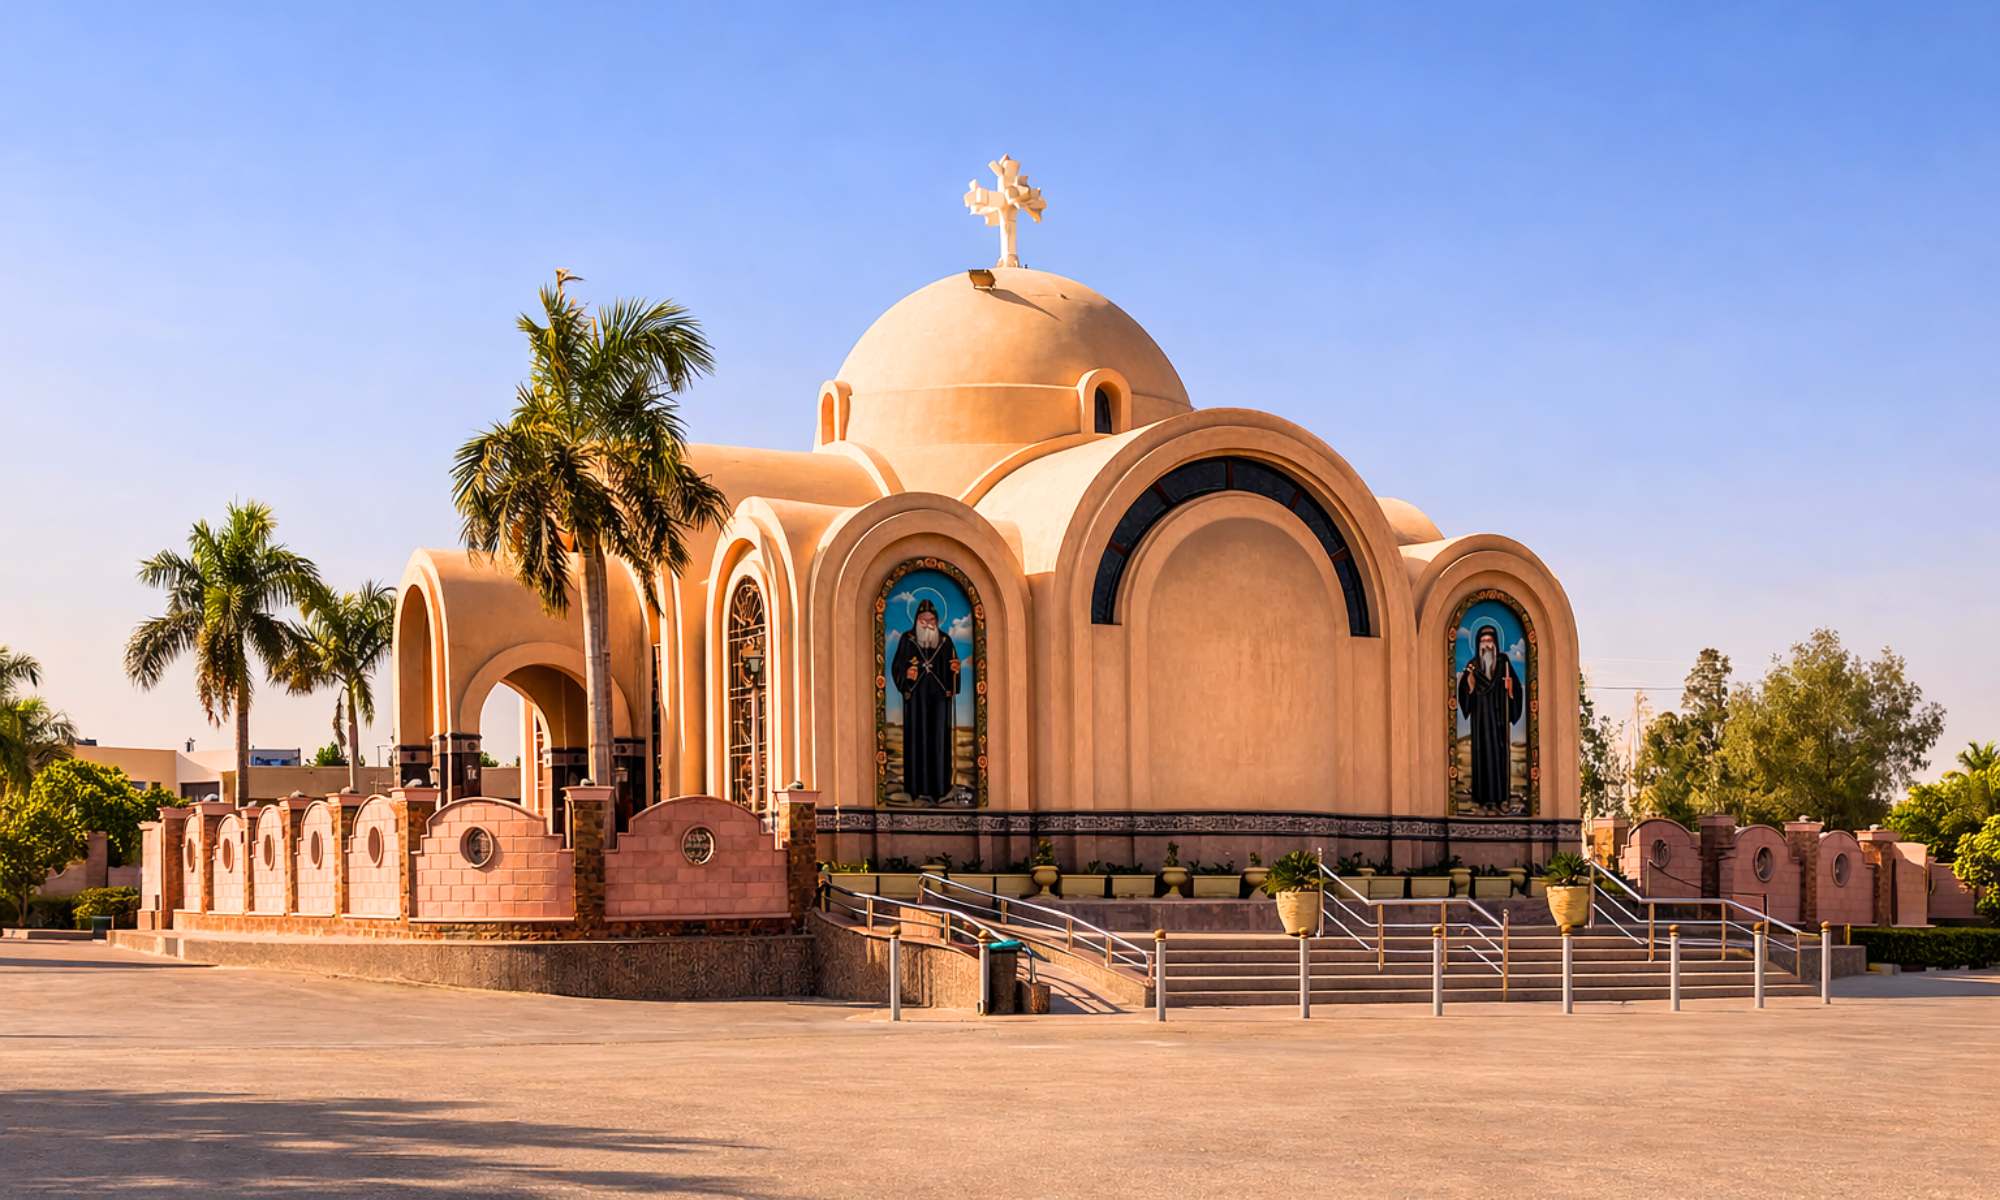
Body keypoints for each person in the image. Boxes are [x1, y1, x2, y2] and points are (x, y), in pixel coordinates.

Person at [891, 599, 961, 802]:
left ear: (937, 621)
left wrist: (955, 672)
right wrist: (906, 676)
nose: (928, 624)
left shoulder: (946, 641)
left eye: (932, 620)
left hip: (939, 702)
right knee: (917, 741)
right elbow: (897, 667)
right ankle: (915, 787)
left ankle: (939, 788)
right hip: (916, 702)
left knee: (938, 743)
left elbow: (953, 672)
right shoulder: (907, 639)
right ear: (917, 620)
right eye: (924, 620)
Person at [1457, 624, 1524, 811]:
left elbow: (1516, 692)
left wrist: (1511, 690)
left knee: (1500, 760)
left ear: (1495, 643)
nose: (1486, 645)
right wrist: (1469, 686)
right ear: (1478, 643)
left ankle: (1501, 799)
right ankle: (1483, 800)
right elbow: (1464, 693)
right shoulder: (1473, 666)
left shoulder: (1504, 663)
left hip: (1499, 722)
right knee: (1482, 759)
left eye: (1490, 641)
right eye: (1483, 641)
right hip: (1480, 724)